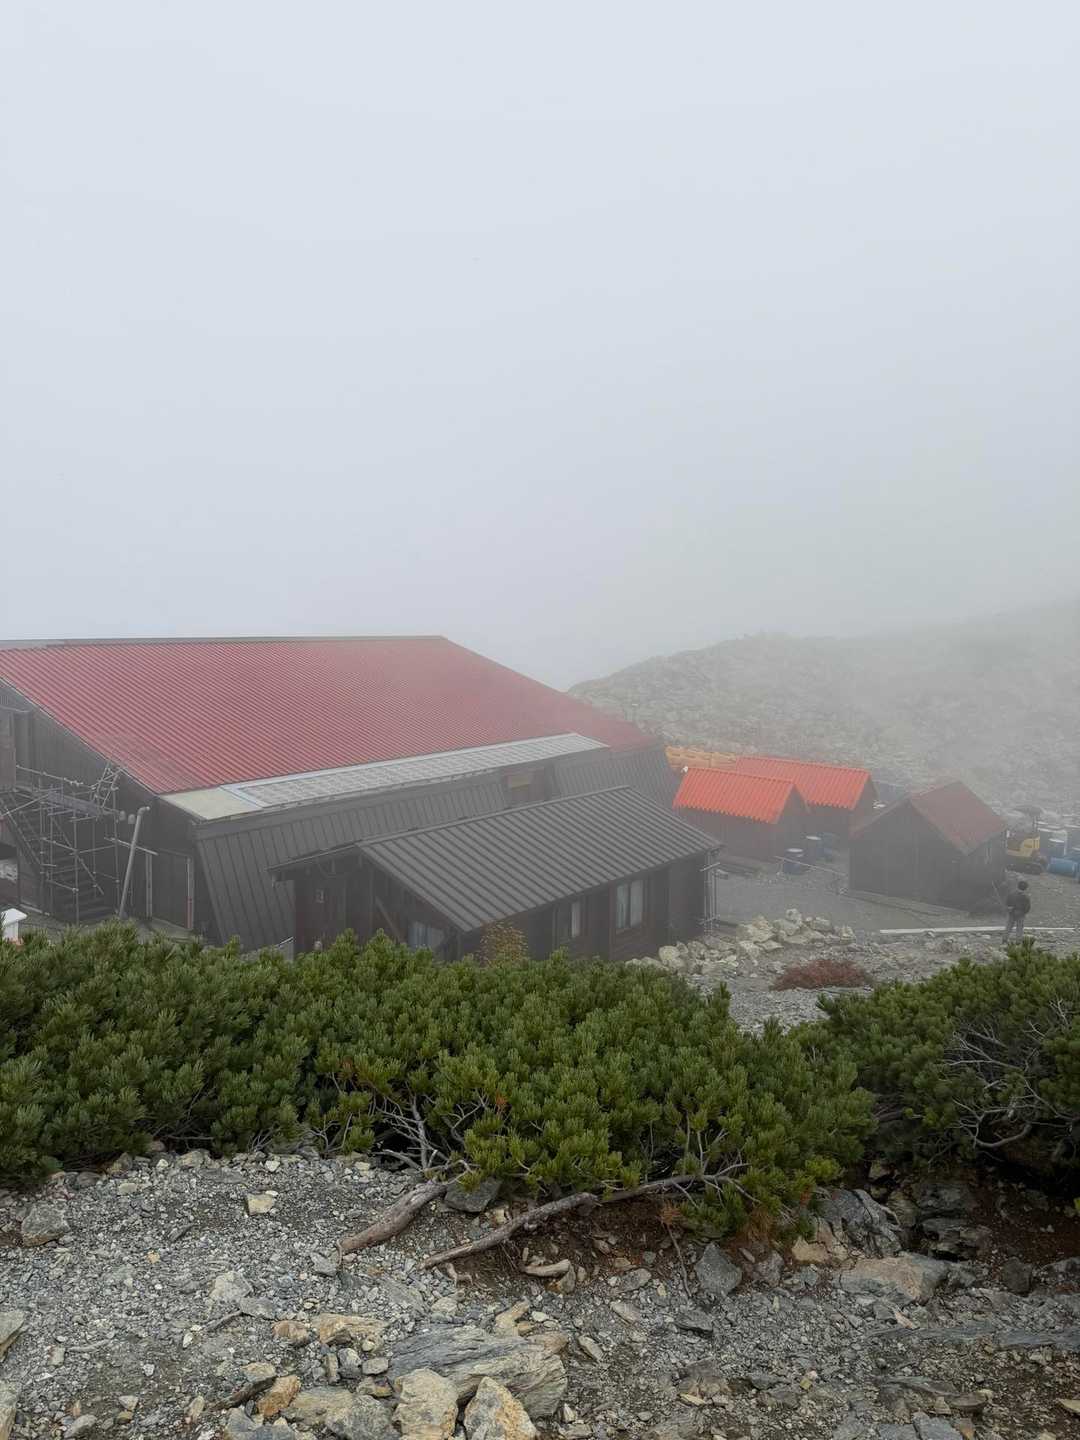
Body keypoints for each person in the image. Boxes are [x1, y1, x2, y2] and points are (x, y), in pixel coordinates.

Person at [1003, 879, 1031, 945]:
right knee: (1019, 928)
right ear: (1026, 888)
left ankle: (1004, 939)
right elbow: (1027, 907)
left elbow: (1007, 903)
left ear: (1018, 886)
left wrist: (1009, 909)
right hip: (1021, 914)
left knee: (1008, 927)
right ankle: (1018, 942)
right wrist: (1024, 913)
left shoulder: (1011, 894)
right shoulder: (1026, 897)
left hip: (1011, 913)